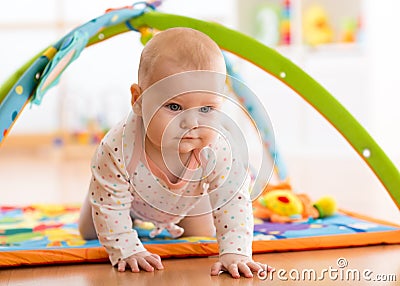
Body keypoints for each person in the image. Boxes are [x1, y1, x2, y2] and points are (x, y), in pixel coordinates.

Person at [78, 27, 269, 279]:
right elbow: (109, 207)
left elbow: (232, 202)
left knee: (204, 232)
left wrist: (236, 252)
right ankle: (107, 203)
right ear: (138, 99)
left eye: (206, 109)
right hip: (126, 197)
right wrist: (128, 250)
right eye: (174, 106)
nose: (191, 122)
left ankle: (182, 218)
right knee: (91, 229)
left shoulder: (220, 148)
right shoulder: (118, 146)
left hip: (188, 200)